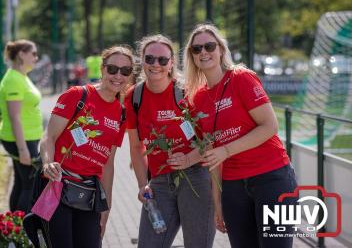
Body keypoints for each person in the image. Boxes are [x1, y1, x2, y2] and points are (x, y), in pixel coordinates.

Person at [183, 23, 298, 248]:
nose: (203, 52)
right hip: (234, 187)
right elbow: (212, 154)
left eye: (209, 46)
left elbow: (269, 126)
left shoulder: (241, 78)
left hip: (273, 179)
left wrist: (226, 149)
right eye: (197, 49)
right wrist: (217, 203)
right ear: (192, 56)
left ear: (221, 50)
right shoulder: (196, 99)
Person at [125, 34, 216, 248]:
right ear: (142, 60)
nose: (155, 65)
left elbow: (212, 139)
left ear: (171, 63)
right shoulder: (134, 96)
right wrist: (141, 185)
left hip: (196, 177)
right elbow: (136, 146)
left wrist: (188, 159)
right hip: (159, 182)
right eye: (149, 59)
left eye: (162, 60)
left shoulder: (188, 91)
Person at [39, 45, 134, 248]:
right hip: (58, 186)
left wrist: (106, 207)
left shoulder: (122, 113)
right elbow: (49, 136)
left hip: (89, 195)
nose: (118, 76)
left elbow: (108, 164)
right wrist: (48, 163)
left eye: (125, 71)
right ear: (102, 69)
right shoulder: (78, 95)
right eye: (112, 69)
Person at [0, 39, 42, 213]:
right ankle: (23, 231)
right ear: (22, 54)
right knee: (29, 185)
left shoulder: (21, 76)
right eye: (33, 54)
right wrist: (23, 149)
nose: (36, 58)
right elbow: (14, 116)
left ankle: (14, 228)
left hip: (27, 137)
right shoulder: (13, 80)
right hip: (21, 139)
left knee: (21, 181)